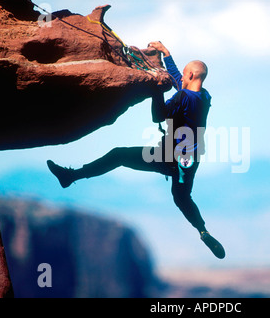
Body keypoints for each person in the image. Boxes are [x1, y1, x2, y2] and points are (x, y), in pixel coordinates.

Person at [46, 41, 225, 259]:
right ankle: (203, 231)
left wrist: (156, 90)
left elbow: (157, 116)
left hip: (173, 158)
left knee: (122, 157)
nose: (182, 79)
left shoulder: (182, 98)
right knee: (181, 196)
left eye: (185, 75)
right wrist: (167, 55)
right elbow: (180, 82)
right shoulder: (204, 96)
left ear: (190, 75)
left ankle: (71, 175)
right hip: (190, 158)